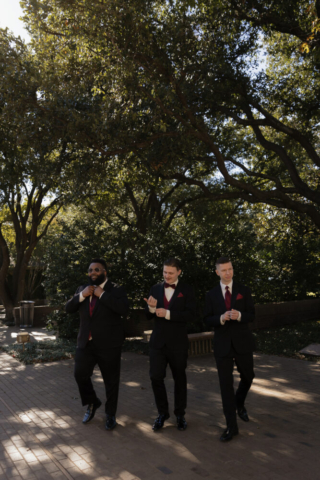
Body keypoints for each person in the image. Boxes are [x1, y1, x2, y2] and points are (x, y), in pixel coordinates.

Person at [65, 258, 129, 430]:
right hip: (86, 343)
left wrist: (102, 295)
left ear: (104, 272)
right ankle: (93, 402)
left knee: (111, 381)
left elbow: (123, 309)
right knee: (80, 374)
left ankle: (110, 415)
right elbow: (68, 308)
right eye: (90, 270)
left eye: (97, 270)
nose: (93, 273)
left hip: (109, 344)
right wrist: (81, 295)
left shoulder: (116, 289)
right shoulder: (82, 290)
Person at [204, 257, 255, 442]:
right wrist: (221, 318)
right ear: (217, 272)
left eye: (230, 269)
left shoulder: (244, 290)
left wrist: (240, 315)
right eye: (224, 270)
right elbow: (206, 319)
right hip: (222, 346)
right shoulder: (210, 295)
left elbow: (252, 314)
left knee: (248, 376)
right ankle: (231, 427)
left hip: (243, 343)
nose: (228, 272)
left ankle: (239, 403)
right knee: (226, 387)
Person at [144, 258, 196, 432]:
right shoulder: (155, 288)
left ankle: (180, 414)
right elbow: (148, 315)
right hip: (158, 343)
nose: (167, 275)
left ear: (179, 272)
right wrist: (151, 309)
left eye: (171, 273)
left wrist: (168, 313)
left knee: (179, 379)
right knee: (155, 377)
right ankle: (162, 414)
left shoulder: (187, 290)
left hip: (178, 343)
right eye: (165, 272)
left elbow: (191, 314)